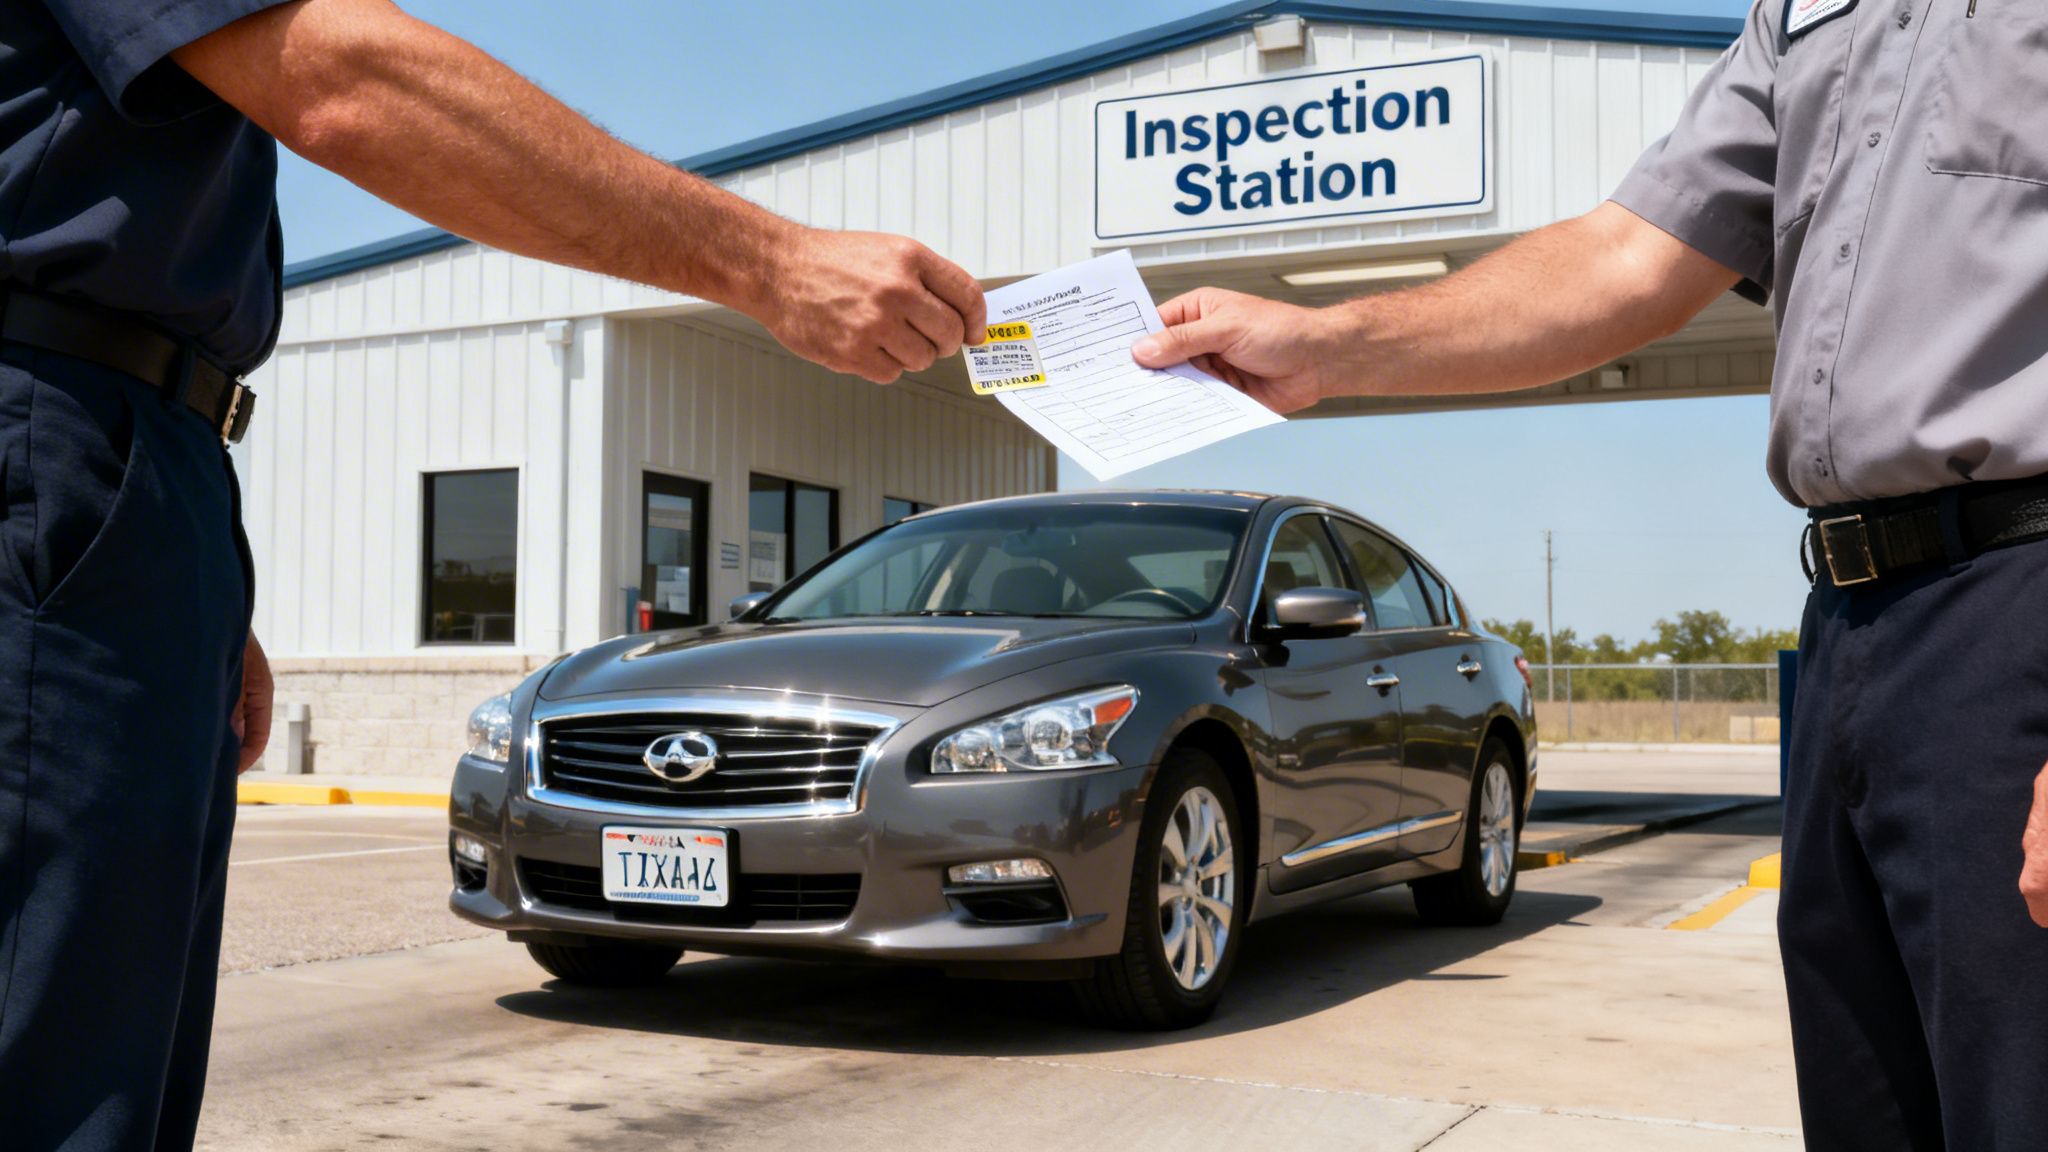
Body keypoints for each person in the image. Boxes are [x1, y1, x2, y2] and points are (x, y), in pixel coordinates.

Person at [0, 0, 985, 1147]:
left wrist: (192, 573)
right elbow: (343, 82)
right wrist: (769, 262)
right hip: (63, 441)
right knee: (54, 1074)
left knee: (108, 1047)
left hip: (126, 469)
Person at [1132, 1, 2048, 1147]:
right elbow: (1626, 256)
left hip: (2020, 604)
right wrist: (1327, 346)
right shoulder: (1805, 13)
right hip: (1850, 633)